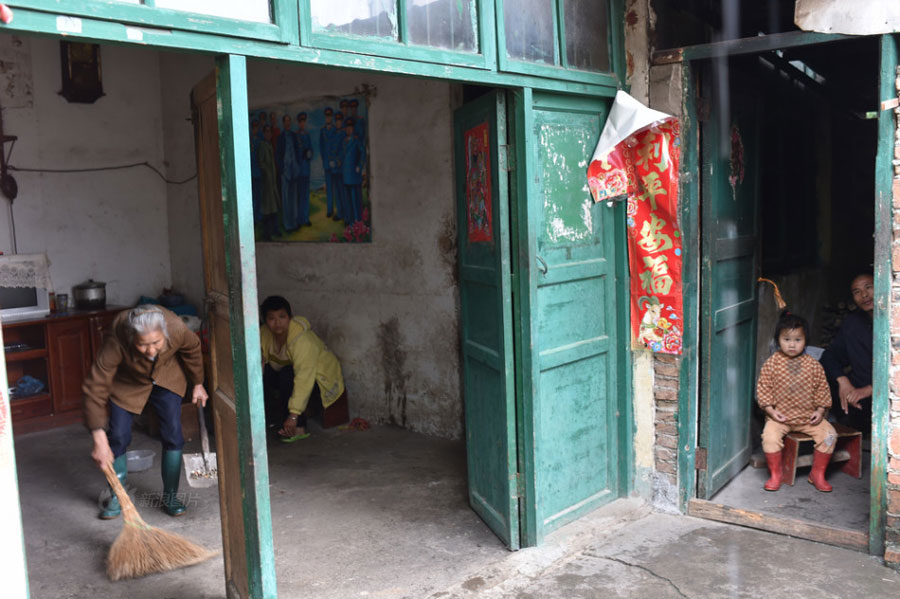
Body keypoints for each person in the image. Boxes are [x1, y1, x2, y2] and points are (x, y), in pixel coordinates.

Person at [82, 305, 207, 518]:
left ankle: (171, 496)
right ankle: (117, 497)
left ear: (165, 334)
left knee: (173, 435)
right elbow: (96, 385)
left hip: (166, 377)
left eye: (156, 343)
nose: (150, 350)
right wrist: (97, 434)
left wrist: (197, 383)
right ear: (132, 338)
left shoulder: (176, 328)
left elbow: (193, 348)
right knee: (118, 436)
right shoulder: (117, 340)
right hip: (127, 383)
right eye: (143, 345)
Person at [756, 311, 836, 492]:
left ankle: (817, 474)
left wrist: (820, 411)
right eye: (787, 339)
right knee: (769, 438)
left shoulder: (814, 365)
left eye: (798, 340)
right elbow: (763, 389)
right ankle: (776, 475)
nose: (792, 344)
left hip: (808, 418)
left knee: (829, 435)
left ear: (806, 340)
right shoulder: (771, 364)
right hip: (779, 418)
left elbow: (822, 389)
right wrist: (770, 411)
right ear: (778, 340)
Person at [259, 296, 345, 442]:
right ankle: (263, 420)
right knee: (262, 374)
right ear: (265, 321)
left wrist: (293, 415)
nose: (277, 322)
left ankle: (298, 427)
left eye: (282, 317)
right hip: (290, 373)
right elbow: (258, 361)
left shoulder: (302, 340)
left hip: (318, 379)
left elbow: (304, 378)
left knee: (287, 375)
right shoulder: (264, 333)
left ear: (290, 317)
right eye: (271, 318)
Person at [820, 273, 873, 433]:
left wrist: (869, 390)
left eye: (868, 287)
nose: (864, 295)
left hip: (885, 392)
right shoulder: (852, 323)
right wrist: (844, 382)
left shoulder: (895, 321)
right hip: (856, 392)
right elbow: (829, 356)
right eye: (857, 292)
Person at [277, 114, 301, 231]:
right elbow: (278, 155)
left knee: (293, 199)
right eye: (286, 121)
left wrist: (298, 167)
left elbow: (297, 151)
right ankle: (288, 225)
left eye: (289, 121)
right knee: (286, 199)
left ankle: (294, 223)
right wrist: (282, 170)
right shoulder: (281, 137)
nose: (287, 123)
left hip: (294, 170)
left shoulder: (293, 136)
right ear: (283, 123)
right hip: (285, 172)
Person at [341, 117, 366, 224]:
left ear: (353, 128)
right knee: (347, 199)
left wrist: (359, 166)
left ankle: (357, 221)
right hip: (346, 174)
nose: (349, 130)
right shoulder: (344, 142)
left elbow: (363, 153)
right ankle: (349, 219)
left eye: (350, 128)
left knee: (356, 199)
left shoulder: (356, 140)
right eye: (347, 128)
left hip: (354, 175)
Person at [259, 124, 281, 240]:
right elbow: (261, 162)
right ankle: (267, 233)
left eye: (270, 132)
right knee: (267, 209)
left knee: (273, 208)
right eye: (266, 132)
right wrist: (267, 172)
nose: (269, 134)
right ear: (264, 133)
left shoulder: (270, 145)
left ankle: (274, 230)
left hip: (272, 181)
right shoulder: (263, 145)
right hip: (267, 183)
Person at [296, 112, 313, 227]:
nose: (302, 124)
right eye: (301, 122)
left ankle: (306, 219)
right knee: (299, 196)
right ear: (298, 123)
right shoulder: (296, 136)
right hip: (298, 170)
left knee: (306, 195)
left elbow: (311, 150)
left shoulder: (307, 135)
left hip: (306, 169)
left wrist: (308, 154)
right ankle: (300, 219)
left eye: (304, 122)